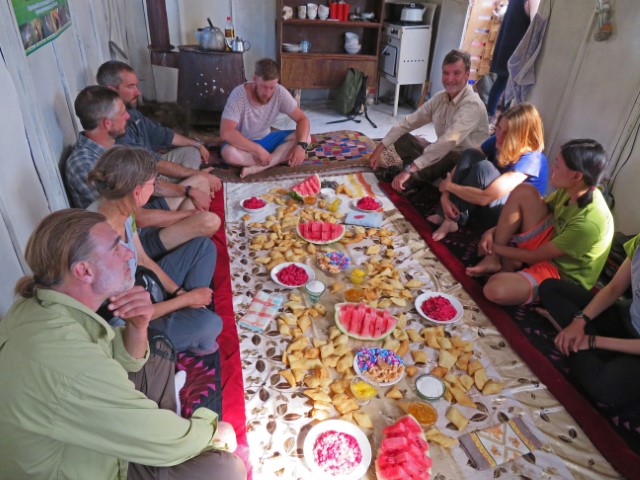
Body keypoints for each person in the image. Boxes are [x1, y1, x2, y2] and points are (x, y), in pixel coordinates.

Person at [0, 209, 246, 480]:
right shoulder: (68, 363)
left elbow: (115, 357)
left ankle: (154, 419)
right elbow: (166, 443)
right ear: (84, 271)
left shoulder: (40, 305)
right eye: (117, 248)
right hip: (93, 465)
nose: (129, 255)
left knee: (156, 340)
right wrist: (213, 431)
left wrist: (139, 326)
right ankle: (158, 424)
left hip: (94, 429)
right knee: (226, 468)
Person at [88, 146, 222, 355]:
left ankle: (194, 309)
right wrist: (186, 300)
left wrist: (180, 293)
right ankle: (191, 321)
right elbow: (130, 316)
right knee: (210, 325)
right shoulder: (100, 243)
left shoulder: (121, 210)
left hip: (144, 285)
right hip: (130, 327)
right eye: (153, 184)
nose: (155, 189)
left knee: (203, 247)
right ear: (137, 192)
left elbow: (142, 259)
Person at [66, 85, 220, 259]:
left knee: (200, 181)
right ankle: (176, 252)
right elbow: (138, 218)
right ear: (107, 123)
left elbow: (151, 185)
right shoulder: (83, 165)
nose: (128, 116)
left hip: (144, 212)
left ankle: (183, 241)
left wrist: (188, 191)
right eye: (122, 113)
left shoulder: (112, 146)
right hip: (136, 239)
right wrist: (187, 215)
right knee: (209, 221)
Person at [467, 139, 613, 306]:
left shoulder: (589, 222)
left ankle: (508, 265)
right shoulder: (571, 190)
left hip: (559, 272)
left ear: (577, 176)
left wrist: (493, 246)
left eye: (557, 165)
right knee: (524, 191)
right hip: (550, 243)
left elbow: (535, 256)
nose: (552, 169)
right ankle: (496, 260)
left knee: (494, 289)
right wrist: (491, 233)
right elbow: (536, 211)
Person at [537, 232, 640, 406]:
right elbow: (614, 288)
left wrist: (592, 340)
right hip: (626, 319)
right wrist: (579, 320)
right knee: (551, 288)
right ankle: (580, 344)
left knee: (604, 385)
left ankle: (570, 339)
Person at [369, 49, 489, 193]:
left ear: (467, 75)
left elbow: (448, 142)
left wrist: (410, 169)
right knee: (403, 137)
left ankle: (410, 180)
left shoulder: (472, 104)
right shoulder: (440, 98)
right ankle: (420, 175)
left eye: (456, 73)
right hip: (442, 153)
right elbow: (409, 122)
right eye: (446, 73)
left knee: (443, 155)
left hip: (462, 161)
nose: (450, 79)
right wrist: (379, 148)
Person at [429, 103, 547, 241]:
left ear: (522, 136)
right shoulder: (498, 140)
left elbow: (485, 197)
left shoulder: (532, 159)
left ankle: (451, 220)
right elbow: (468, 159)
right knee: (470, 154)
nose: (500, 136)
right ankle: (447, 213)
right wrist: (445, 196)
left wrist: (448, 187)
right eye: (498, 129)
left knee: (484, 168)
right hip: (485, 204)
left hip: (505, 220)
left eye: (507, 134)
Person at [219, 58, 311, 178]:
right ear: (255, 79)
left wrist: (300, 146)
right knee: (228, 153)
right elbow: (226, 132)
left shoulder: (279, 92)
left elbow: (302, 119)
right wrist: (257, 150)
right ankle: (275, 159)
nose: (268, 93)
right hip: (244, 143)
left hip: (267, 138)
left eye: (272, 87)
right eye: (264, 87)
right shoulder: (238, 95)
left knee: (306, 138)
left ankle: (259, 167)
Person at [486, 0, 540, 123]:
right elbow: (535, 24)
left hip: (506, 44)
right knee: (511, 87)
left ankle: (490, 114)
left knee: (501, 82)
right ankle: (503, 120)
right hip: (516, 48)